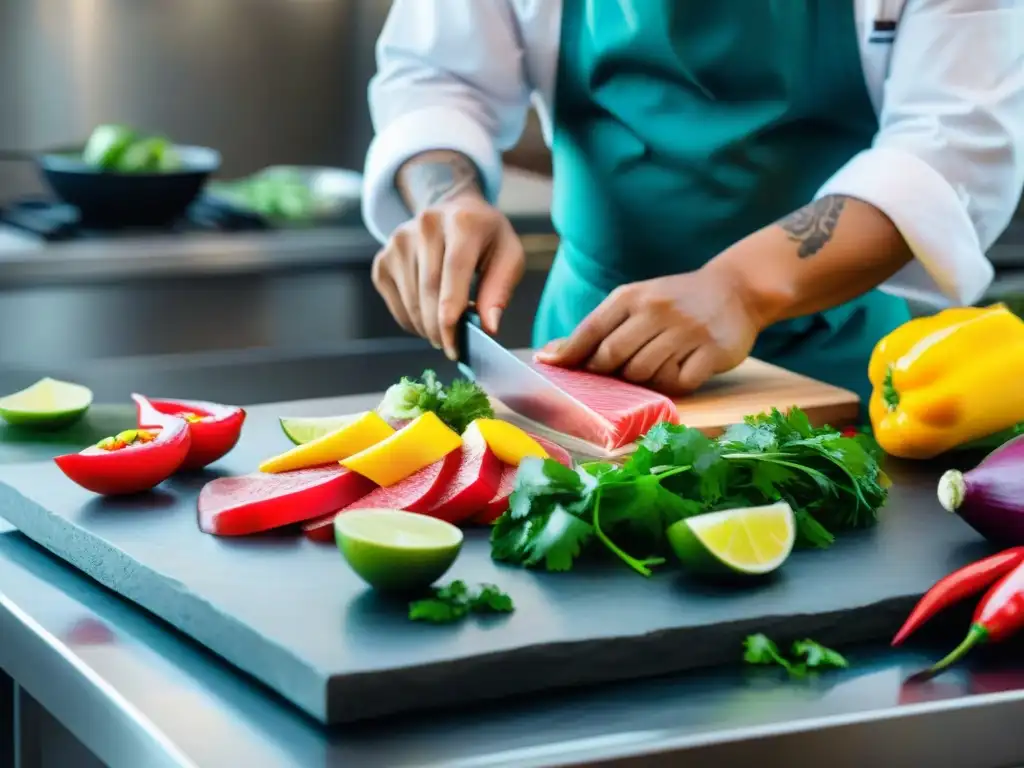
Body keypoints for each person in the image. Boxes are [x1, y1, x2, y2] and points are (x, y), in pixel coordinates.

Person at [361, 0, 1024, 403]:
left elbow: (953, 144)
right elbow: (437, 75)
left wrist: (741, 288)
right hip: (586, 352)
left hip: (843, 358)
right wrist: (446, 200)